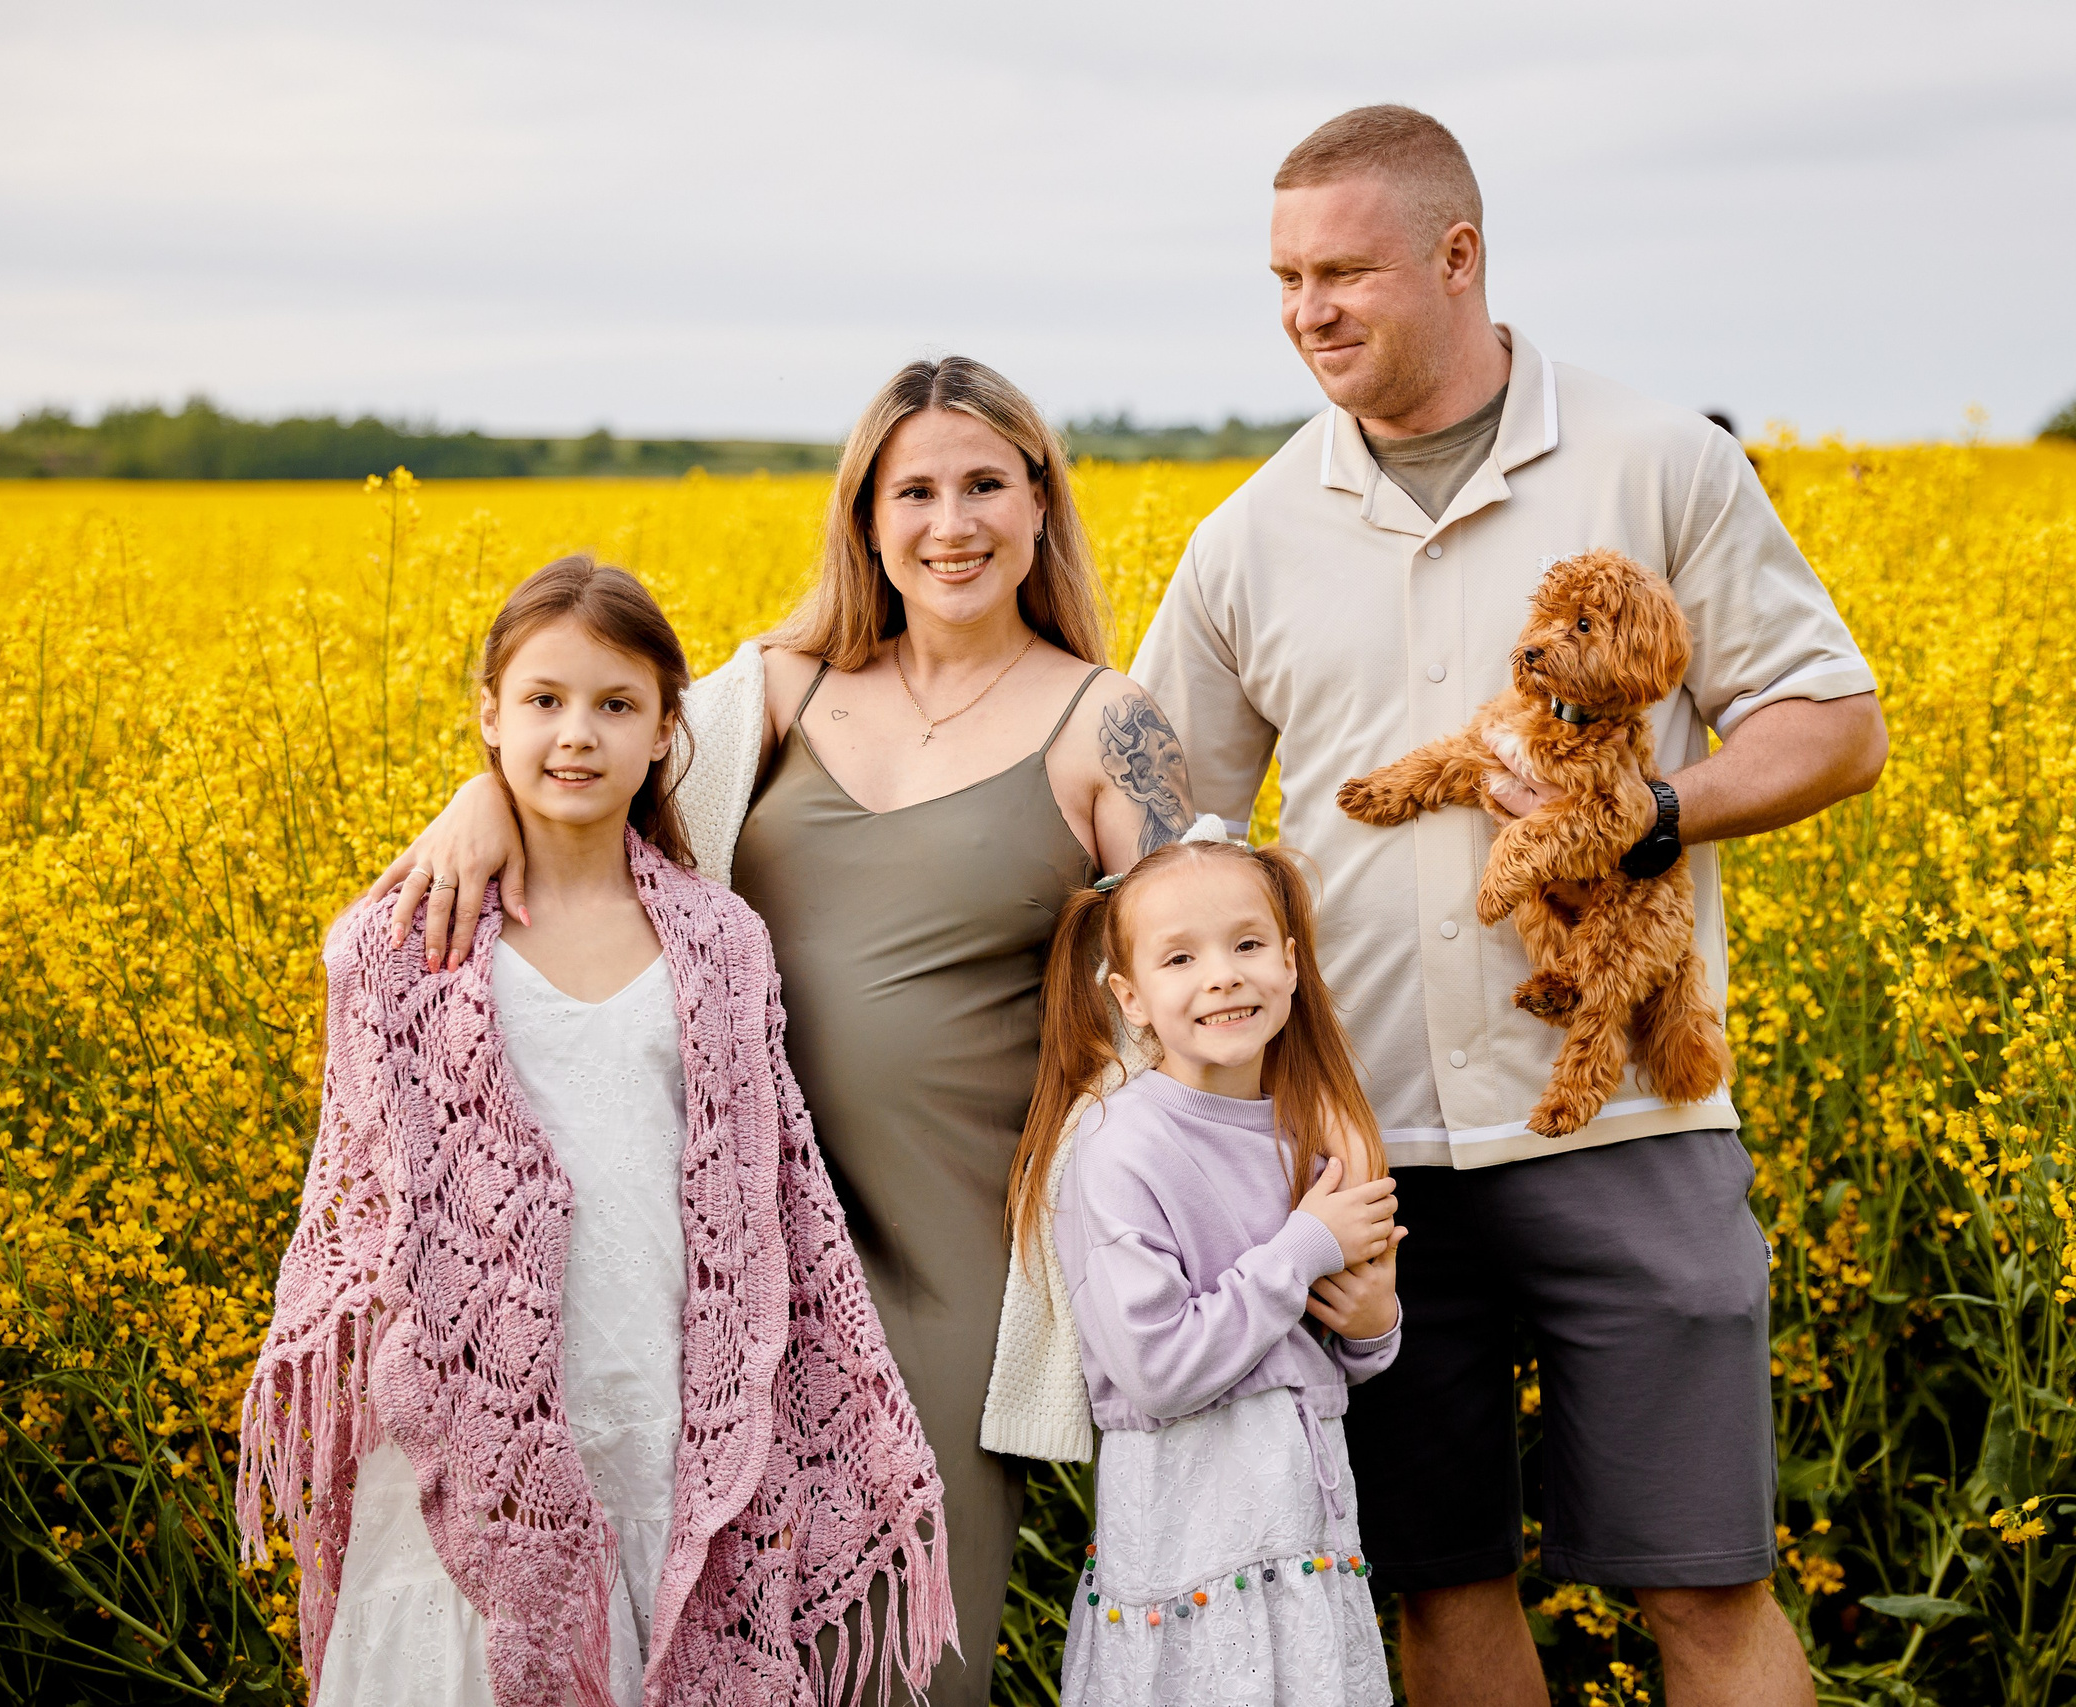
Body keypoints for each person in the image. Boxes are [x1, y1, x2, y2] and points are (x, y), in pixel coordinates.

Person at [1130, 106, 1888, 1706]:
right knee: (1443, 1579)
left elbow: (1833, 723)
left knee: (1707, 1579)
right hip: (1368, 1151)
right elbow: (1157, 812)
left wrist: (1653, 816)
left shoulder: (1655, 460)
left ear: (1459, 255)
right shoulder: (1250, 529)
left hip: (1630, 1125)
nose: (1307, 310)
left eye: (1344, 272)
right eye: (1285, 279)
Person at [369, 359, 1200, 1707]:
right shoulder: (774, 691)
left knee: (906, 1648)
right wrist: (480, 802)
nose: (951, 524)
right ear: (865, 514)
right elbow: (586, 763)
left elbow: (1203, 972)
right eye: (913, 491)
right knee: (708, 1629)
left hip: (951, 1251)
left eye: (985, 485)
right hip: (722, 1237)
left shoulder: (1107, 724)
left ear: (1041, 503)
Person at [239, 556, 950, 1706]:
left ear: (667, 730)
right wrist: (470, 805)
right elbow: (369, 1201)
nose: (577, 734)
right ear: (489, 715)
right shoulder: (405, 939)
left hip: (660, 1397)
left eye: (616, 705)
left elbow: (767, 1202)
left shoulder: (719, 942)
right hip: (472, 1404)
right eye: (544, 700)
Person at [1014, 826, 1401, 1706]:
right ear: (1131, 996)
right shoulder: (1121, 1146)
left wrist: (1374, 1321)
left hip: (1303, 1535)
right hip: (1191, 1538)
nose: (1222, 975)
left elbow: (1337, 1352)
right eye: (1181, 957)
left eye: (1247, 945)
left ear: (1291, 964)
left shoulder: (1312, 1131)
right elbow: (1157, 1369)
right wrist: (1303, 1247)